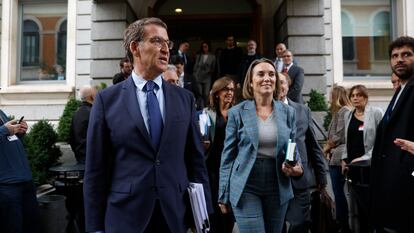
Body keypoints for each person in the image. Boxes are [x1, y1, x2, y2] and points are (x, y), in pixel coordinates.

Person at [83, 17, 212, 233]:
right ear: (135, 48)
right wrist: (95, 227)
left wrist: (203, 216)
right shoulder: (107, 100)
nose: (165, 49)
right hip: (125, 216)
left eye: (167, 43)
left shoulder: (185, 99)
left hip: (174, 214)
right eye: (156, 41)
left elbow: (196, 161)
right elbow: (95, 169)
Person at [218, 58, 303, 233]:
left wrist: (296, 168)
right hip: (245, 183)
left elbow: (292, 148)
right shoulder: (237, 112)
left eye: (271, 74)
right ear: (251, 81)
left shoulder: (288, 113)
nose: (267, 78)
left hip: (278, 183)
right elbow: (228, 156)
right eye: (261, 74)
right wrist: (223, 193)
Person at [370, 36, 414, 233]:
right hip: (391, 185)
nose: (399, 60)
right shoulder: (400, 90)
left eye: (407, 54)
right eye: (395, 56)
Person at [278, 73, 328, 233]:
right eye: (276, 83)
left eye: (282, 82)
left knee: (300, 223)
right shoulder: (263, 111)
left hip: (299, 179)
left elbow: (313, 145)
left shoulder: (302, 110)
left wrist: (321, 176)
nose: (279, 86)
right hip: (274, 180)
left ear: (288, 85)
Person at [341, 85, 383, 233]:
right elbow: (348, 140)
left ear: (366, 97)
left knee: (369, 204)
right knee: (354, 206)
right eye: (352, 96)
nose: (355, 98)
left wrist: (364, 157)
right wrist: (344, 160)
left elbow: (381, 141)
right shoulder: (348, 115)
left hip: (369, 167)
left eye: (359, 95)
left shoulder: (376, 113)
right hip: (353, 168)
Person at [202, 76, 236, 233]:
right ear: (217, 93)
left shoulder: (238, 113)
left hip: (232, 168)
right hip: (213, 168)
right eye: (226, 89)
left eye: (231, 89)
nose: (229, 92)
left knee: (229, 212)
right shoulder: (206, 114)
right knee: (214, 210)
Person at [0, 110, 39, 233]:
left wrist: (19, 133)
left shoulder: (1, 112)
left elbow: (7, 140)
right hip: (6, 186)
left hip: (25, 181)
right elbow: (4, 133)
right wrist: (3, 130)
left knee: (32, 226)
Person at [323, 86, 352, 232]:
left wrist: (326, 147)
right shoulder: (340, 112)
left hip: (339, 157)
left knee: (339, 192)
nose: (329, 98)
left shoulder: (343, 112)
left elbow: (339, 136)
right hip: (336, 156)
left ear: (337, 96)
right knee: (339, 192)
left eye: (331, 95)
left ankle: (343, 224)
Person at [69, 85, 97, 164]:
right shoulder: (94, 113)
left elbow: (71, 138)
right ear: (91, 97)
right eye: (96, 95)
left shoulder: (76, 113)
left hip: (80, 157)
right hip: (93, 158)